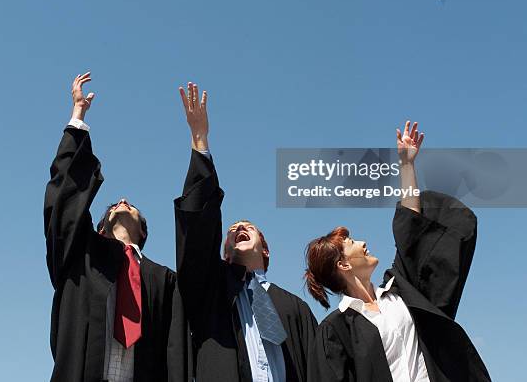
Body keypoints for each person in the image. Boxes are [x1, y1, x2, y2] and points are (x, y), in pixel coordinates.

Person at [305, 121, 491, 382]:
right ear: (343, 265)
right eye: (351, 243)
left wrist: (406, 164)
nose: (363, 243)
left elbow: (411, 230)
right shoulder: (335, 330)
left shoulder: (400, 292)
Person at [44, 73, 190, 382]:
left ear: (143, 232)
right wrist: (77, 119)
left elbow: (176, 351)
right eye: (112, 207)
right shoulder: (80, 257)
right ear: (100, 230)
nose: (122, 200)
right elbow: (64, 201)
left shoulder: (165, 281)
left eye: (131, 206)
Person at [174, 82, 316, 382]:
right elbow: (198, 233)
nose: (239, 227)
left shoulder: (296, 309)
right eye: (232, 231)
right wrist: (200, 140)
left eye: (249, 227)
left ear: (265, 249)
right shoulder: (210, 291)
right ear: (225, 253)